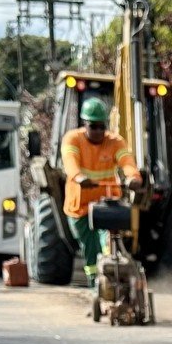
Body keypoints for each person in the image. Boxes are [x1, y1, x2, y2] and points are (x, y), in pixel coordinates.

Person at [59, 97, 140, 284]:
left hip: (107, 204)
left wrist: (133, 177)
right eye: (93, 126)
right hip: (79, 206)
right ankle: (95, 284)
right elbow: (70, 163)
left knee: (108, 243)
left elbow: (127, 161)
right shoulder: (72, 139)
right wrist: (79, 178)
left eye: (101, 126)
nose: (98, 131)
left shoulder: (115, 142)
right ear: (84, 124)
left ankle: (113, 275)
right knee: (90, 246)